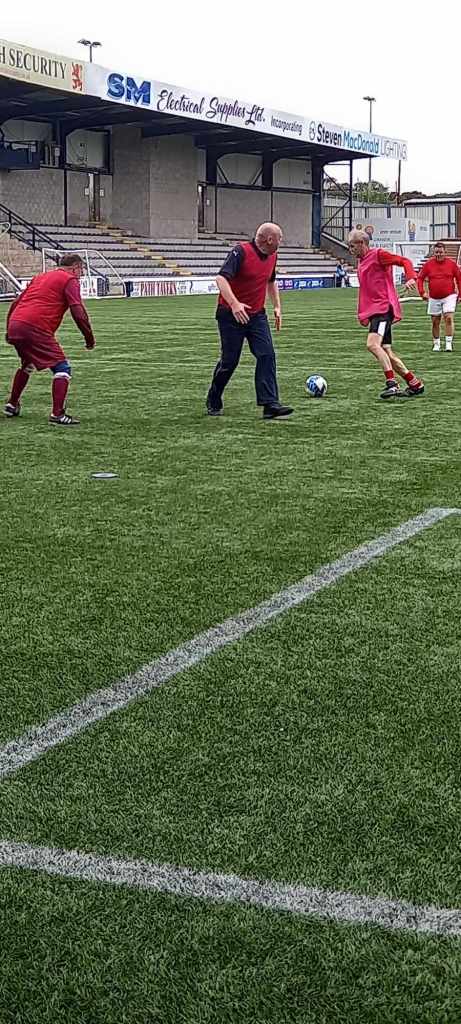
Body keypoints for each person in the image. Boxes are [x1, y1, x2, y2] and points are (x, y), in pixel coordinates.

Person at [206, 222, 293, 419]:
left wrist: (277, 306)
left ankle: (270, 404)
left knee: (267, 355)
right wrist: (235, 304)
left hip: (256, 316)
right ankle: (214, 397)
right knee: (229, 361)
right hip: (230, 315)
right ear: (269, 239)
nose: (281, 242)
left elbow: (271, 281)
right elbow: (221, 279)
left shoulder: (273, 256)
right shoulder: (241, 252)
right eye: (280, 238)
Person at [4, 254, 95, 425]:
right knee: (62, 367)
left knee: (27, 363)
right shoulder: (70, 280)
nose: (82, 274)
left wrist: (9, 329)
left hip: (16, 323)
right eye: (81, 269)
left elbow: (16, 303)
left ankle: (12, 405)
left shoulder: (40, 277)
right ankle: (57, 414)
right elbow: (78, 311)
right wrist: (89, 337)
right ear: (75, 268)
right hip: (35, 326)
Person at [347, 229, 424, 399]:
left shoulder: (379, 255)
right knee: (387, 351)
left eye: (352, 246)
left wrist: (411, 277)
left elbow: (404, 261)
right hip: (375, 310)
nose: (350, 249)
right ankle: (414, 384)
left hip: (382, 309)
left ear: (362, 243)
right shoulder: (362, 261)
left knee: (372, 344)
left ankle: (392, 383)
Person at [417, 241, 461, 352]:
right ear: (434, 253)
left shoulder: (452, 264)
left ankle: (448, 344)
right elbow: (420, 278)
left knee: (449, 318)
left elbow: (459, 279)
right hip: (433, 297)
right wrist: (422, 292)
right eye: (436, 252)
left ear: (445, 252)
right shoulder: (428, 264)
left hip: (449, 296)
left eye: (440, 252)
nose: (438, 254)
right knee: (435, 321)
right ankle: (436, 343)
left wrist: (460, 294)